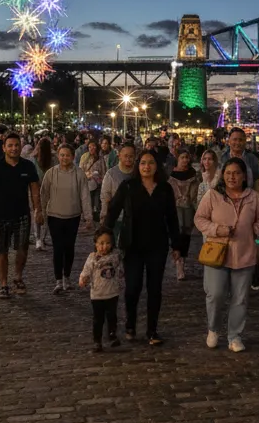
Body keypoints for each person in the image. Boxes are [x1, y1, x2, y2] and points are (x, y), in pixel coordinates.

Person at [105, 149, 180, 346]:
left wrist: (176, 244)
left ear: (157, 166)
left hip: (158, 245)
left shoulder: (165, 189)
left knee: (155, 289)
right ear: (138, 166)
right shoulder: (128, 186)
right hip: (133, 245)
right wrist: (105, 234)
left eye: (151, 163)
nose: (147, 167)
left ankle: (152, 330)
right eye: (143, 163)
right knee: (132, 287)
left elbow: (172, 218)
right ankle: (130, 324)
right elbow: (112, 211)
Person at [195, 156, 259, 353]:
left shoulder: (253, 198)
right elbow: (199, 219)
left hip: (244, 254)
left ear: (244, 176)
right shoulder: (212, 196)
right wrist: (218, 229)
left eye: (236, 173)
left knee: (240, 298)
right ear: (222, 175)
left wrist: (256, 230)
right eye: (228, 173)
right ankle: (213, 328)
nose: (232, 177)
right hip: (217, 253)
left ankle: (235, 335)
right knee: (216, 294)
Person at [0, 132, 42, 299]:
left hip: (22, 214)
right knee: (1, 251)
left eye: (16, 145)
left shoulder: (27, 166)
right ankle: (3, 283)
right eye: (10, 145)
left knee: (22, 248)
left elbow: (34, 189)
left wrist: (38, 210)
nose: (14, 148)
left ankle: (18, 277)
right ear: (4, 148)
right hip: (1, 215)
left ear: (20, 147)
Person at [220, 127, 259, 291]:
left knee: (252, 239)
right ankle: (231, 274)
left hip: (248, 201)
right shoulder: (223, 157)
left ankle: (256, 274)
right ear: (229, 140)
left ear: (245, 142)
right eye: (234, 139)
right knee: (230, 239)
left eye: (241, 140)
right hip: (228, 202)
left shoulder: (252, 159)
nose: (237, 143)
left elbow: (258, 181)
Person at [40, 144, 92, 294]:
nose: (64, 158)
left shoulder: (79, 174)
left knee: (69, 248)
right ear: (58, 155)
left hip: (73, 216)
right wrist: (41, 213)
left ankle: (67, 277)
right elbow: (44, 195)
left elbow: (84, 196)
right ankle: (58, 280)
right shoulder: (51, 173)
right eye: (61, 155)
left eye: (67, 155)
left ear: (73, 157)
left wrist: (88, 217)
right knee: (58, 248)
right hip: (54, 216)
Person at [78, 227, 124, 352]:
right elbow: (86, 270)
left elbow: (120, 268)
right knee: (98, 318)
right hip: (97, 294)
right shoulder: (92, 258)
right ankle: (97, 340)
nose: (104, 247)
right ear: (96, 244)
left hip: (112, 292)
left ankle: (112, 334)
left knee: (112, 316)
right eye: (101, 243)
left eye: (108, 243)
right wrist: (83, 278)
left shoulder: (115, 255)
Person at [168, 151, 199, 281]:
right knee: (178, 233)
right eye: (182, 157)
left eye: (187, 157)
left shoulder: (193, 176)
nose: (185, 160)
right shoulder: (171, 176)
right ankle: (178, 261)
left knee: (186, 234)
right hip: (175, 208)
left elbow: (196, 194)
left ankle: (183, 259)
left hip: (189, 208)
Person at [99, 142, 136, 225]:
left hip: (135, 219)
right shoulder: (111, 174)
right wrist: (104, 218)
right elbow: (105, 197)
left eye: (131, 156)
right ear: (119, 156)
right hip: (117, 219)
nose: (128, 159)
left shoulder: (139, 173)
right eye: (126, 156)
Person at [32, 137, 55, 251]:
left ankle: (38, 239)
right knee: (47, 214)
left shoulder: (34, 159)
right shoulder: (53, 159)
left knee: (37, 212)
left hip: (36, 189)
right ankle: (43, 237)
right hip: (49, 190)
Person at [80, 140, 106, 223]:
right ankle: (88, 216)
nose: (91, 148)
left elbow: (104, 171)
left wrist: (101, 179)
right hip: (87, 183)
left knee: (97, 201)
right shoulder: (84, 157)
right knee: (88, 200)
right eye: (90, 146)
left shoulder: (100, 158)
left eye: (93, 146)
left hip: (98, 183)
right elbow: (80, 170)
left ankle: (97, 217)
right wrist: (87, 174)